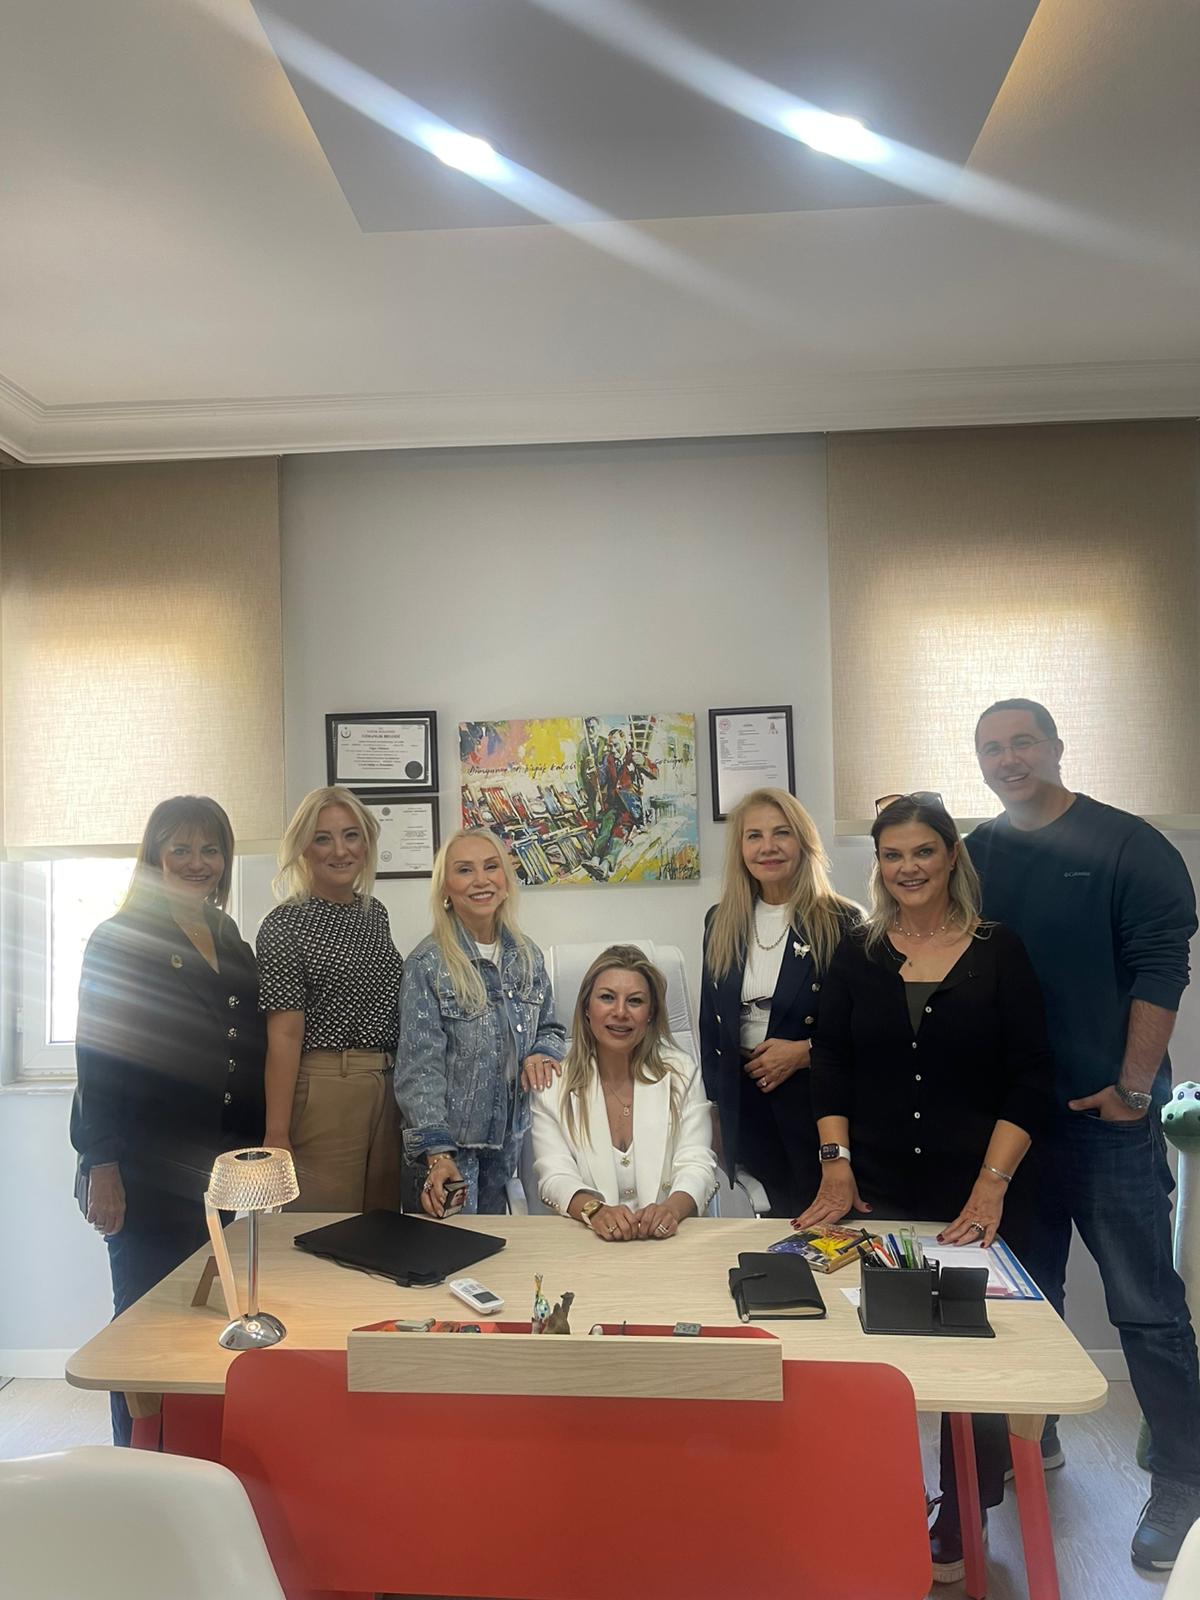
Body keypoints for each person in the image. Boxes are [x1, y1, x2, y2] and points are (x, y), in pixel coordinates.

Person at [968, 697, 1200, 1572]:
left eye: (1023, 742)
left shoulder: (1130, 845)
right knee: (1028, 1298)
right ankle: (1040, 1433)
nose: (1009, 759)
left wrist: (1134, 1090)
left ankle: (1183, 1480)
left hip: (1110, 1119)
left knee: (1146, 1308)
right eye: (992, 748)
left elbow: (1161, 969)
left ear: (1057, 746)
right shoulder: (978, 854)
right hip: (1014, 1127)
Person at [801, 794, 1050, 1584]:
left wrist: (991, 1186)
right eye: (892, 854)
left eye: (923, 852)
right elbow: (830, 1060)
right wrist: (835, 1161)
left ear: (951, 857)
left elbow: (1032, 1077)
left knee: (968, 1354)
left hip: (974, 1188)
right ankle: (880, 1494)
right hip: (876, 1184)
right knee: (871, 1343)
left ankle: (963, 1512)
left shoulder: (999, 950)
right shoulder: (859, 952)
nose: (907, 868)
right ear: (877, 864)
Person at [70, 795, 265, 1445]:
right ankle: (135, 1465)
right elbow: (97, 1057)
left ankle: (188, 1459)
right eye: (179, 848)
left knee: (202, 1324)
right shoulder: (119, 937)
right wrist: (102, 1164)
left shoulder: (229, 936)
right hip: (143, 1170)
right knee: (143, 1331)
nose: (196, 862)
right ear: (154, 856)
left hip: (219, 1170)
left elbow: (245, 1045)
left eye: (210, 850)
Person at [699, 787, 859, 1217]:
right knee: (770, 1226)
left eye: (781, 833)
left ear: (803, 842)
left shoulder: (842, 921)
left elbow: (865, 1030)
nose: (767, 847)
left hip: (814, 1107)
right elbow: (710, 1025)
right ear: (740, 848)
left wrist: (806, 1052)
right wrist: (715, 1110)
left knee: (825, 1224)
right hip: (746, 1105)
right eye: (754, 836)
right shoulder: (720, 920)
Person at [396, 827, 565, 1216]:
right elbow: (418, 1071)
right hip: (448, 1153)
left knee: (495, 1250)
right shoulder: (427, 964)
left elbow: (551, 1028)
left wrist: (541, 1052)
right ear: (445, 888)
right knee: (448, 1249)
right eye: (464, 870)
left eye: (491, 867)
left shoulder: (527, 956)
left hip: (507, 1147)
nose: (481, 880)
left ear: (506, 880)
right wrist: (438, 1154)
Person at [257, 786, 403, 1212]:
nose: (340, 850)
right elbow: (283, 1036)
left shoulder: (374, 913)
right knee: (323, 1227)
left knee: (382, 1225)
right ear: (304, 848)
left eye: (351, 835)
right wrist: (277, 1134)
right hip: (325, 1087)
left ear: (367, 842)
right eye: (323, 838)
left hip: (386, 1086)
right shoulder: (285, 924)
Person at [532, 945, 717, 1238]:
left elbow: (697, 1163)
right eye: (607, 997)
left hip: (667, 1241)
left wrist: (671, 1210)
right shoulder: (554, 1085)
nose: (620, 1012)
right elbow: (555, 1175)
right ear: (586, 1008)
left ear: (650, 1014)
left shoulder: (681, 1074)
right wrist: (596, 1211)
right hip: (586, 1242)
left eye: (635, 1001)